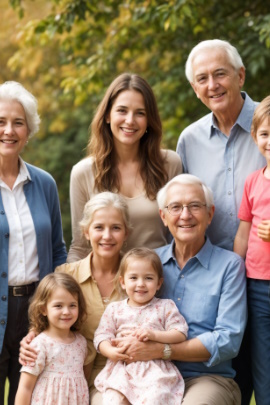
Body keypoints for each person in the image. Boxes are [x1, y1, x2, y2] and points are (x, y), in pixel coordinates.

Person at [176, 39, 265, 403]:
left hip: (265, 280)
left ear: (240, 75)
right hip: (213, 288)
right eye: (202, 79)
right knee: (231, 383)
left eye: (220, 74)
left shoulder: (268, 125)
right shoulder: (189, 140)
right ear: (195, 90)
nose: (212, 84)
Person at [113, 174, 247, 405]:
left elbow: (227, 340)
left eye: (195, 206)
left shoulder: (229, 265)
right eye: (175, 207)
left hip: (206, 378)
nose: (185, 215)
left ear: (210, 214)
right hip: (147, 375)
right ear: (163, 217)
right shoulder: (149, 262)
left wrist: (160, 350)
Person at [20, 192, 130, 405]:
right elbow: (49, 315)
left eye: (116, 228)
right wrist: (32, 335)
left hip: (126, 374)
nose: (107, 236)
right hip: (78, 378)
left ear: (126, 233)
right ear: (86, 232)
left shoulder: (138, 277)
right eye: (99, 227)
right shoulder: (66, 276)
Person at [68, 72, 182, 262]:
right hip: (104, 286)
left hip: (159, 281)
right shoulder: (83, 172)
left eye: (140, 113)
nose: (130, 120)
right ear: (107, 116)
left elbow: (179, 235)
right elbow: (79, 247)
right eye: (122, 110)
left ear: (148, 120)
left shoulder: (170, 164)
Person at [0, 81, 67, 405]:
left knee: (33, 398)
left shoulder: (44, 183)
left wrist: (48, 315)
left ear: (28, 130)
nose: (9, 131)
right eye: (1, 122)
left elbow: (57, 249)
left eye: (18, 122)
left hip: (36, 311)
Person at [94, 247, 188, 405]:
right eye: (133, 278)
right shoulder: (115, 309)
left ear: (159, 283)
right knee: (114, 400)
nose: (141, 284)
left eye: (148, 278)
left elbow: (180, 332)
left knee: (154, 398)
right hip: (122, 370)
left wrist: (155, 335)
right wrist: (110, 351)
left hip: (155, 371)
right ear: (123, 282)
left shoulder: (165, 306)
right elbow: (102, 336)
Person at [234, 95, 270, 405]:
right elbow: (243, 232)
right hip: (257, 286)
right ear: (255, 136)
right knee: (263, 362)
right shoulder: (253, 182)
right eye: (265, 133)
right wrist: (234, 274)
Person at [15, 272, 89, 405]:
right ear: (44, 309)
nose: (66, 311)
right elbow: (25, 388)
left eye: (72, 305)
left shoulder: (81, 343)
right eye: (58, 306)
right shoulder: (40, 345)